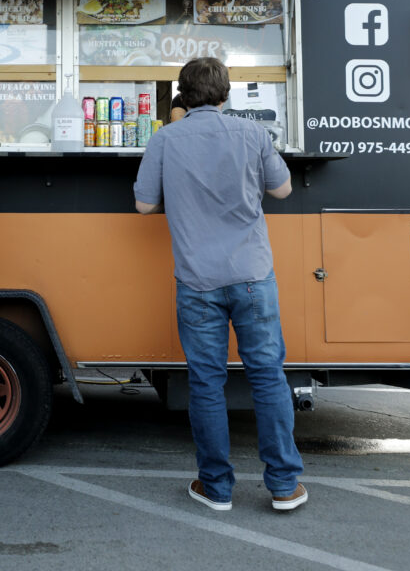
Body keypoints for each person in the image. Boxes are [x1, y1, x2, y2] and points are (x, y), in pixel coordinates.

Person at [133, 57, 307, 513]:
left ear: (182, 96)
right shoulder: (253, 134)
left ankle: (216, 488)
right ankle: (285, 486)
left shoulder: (165, 139)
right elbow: (283, 189)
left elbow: (144, 205)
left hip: (197, 282)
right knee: (268, 378)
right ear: (226, 94)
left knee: (206, 383)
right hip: (253, 276)